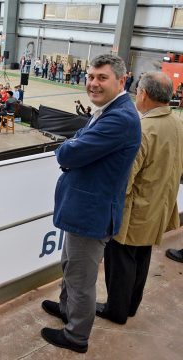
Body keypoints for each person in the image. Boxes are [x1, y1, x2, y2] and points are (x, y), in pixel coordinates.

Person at [41, 54, 141, 353]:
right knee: (70, 266)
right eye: (91, 77)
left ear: (122, 81)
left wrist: (66, 150)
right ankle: (66, 309)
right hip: (82, 209)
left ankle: (76, 335)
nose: (93, 84)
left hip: (91, 212)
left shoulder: (120, 118)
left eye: (102, 78)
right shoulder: (110, 110)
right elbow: (80, 139)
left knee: (81, 278)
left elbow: (69, 153)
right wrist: (73, 146)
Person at [96, 72, 183, 325]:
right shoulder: (177, 123)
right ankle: (131, 306)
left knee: (120, 261)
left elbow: (126, 177)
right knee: (141, 258)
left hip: (136, 209)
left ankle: (116, 310)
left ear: (143, 94)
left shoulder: (143, 128)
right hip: (160, 204)